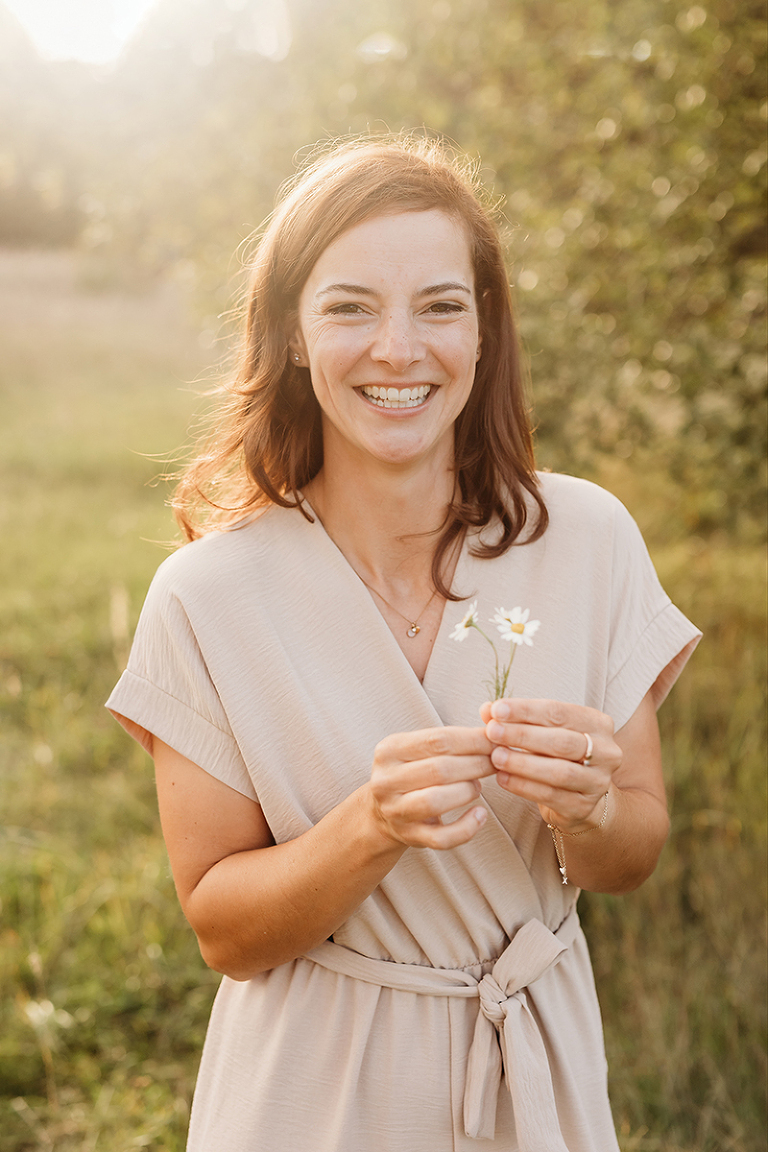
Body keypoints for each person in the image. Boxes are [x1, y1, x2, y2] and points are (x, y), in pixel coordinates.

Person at [107, 136, 701, 1152]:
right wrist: (369, 827)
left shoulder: (588, 539)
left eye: (439, 305)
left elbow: (631, 852)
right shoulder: (207, 597)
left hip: (537, 1077)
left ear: (483, 330)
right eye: (350, 307)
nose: (398, 348)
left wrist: (590, 805)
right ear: (293, 333)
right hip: (315, 1098)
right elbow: (223, 928)